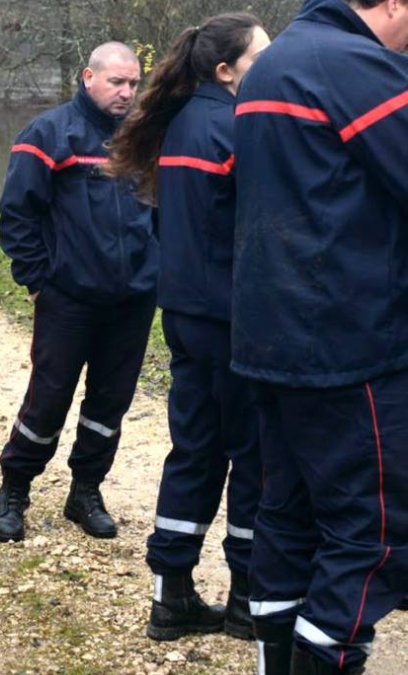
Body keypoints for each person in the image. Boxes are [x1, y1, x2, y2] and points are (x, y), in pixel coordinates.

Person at [232, 0, 408, 672]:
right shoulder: (353, 64)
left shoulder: (275, 63)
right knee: (372, 535)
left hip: (272, 338)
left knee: (290, 516)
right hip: (348, 341)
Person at [106, 13, 270, 644]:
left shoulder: (179, 126)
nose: (274, 69)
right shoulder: (235, 129)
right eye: (262, 58)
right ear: (225, 70)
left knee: (195, 449)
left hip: (185, 316)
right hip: (234, 320)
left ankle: (170, 594)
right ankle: (247, 599)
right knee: (253, 456)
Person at [0, 42, 156, 543]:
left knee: (110, 404)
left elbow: (167, 212)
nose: (126, 92)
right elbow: (17, 214)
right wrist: (37, 281)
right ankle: (14, 488)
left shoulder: (145, 141)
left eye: (133, 83)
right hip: (68, 299)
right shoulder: (48, 133)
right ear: (89, 77)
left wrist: (160, 268)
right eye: (116, 82)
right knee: (48, 399)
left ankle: (86, 491)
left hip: (132, 301)